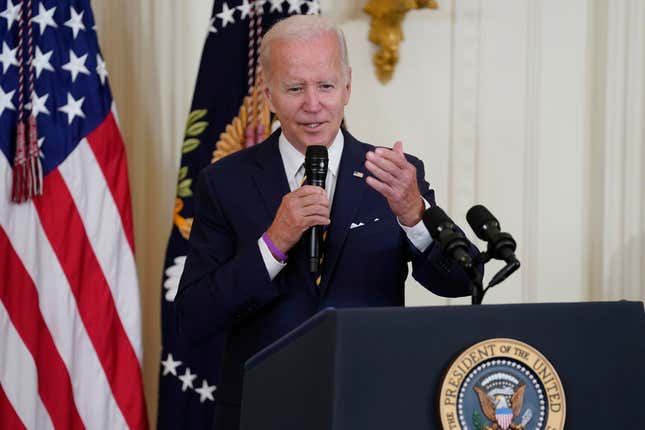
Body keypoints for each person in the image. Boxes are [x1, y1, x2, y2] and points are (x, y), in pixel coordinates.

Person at [176, 14, 479, 430]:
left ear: (348, 87)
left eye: (326, 86)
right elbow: (194, 316)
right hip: (263, 412)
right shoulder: (224, 182)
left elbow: (464, 280)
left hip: (372, 410)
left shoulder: (395, 176)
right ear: (269, 94)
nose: (313, 105)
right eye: (295, 88)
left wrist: (415, 215)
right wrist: (273, 244)